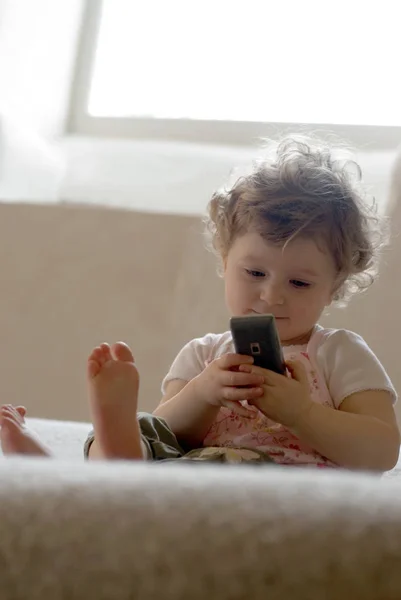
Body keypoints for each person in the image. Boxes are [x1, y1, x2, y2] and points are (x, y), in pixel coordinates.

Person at [1, 136, 399, 471]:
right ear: (226, 263)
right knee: (145, 431)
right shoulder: (204, 355)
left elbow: (382, 452)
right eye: (255, 274)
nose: (272, 295)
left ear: (333, 287)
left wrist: (304, 414)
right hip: (192, 474)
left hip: (278, 486)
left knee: (140, 472)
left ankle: (66, 472)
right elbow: (173, 434)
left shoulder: (338, 353)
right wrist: (203, 393)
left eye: (299, 282)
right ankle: (101, 458)